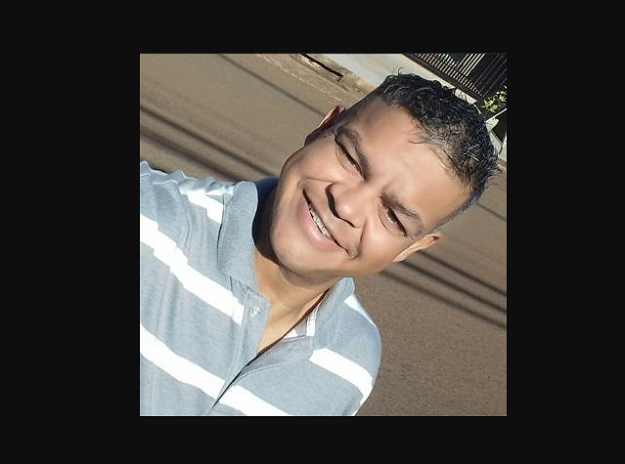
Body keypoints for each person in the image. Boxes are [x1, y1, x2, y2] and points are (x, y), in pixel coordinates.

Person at [140, 73, 499, 416]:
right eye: (351, 160)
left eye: (392, 215)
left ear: (412, 248)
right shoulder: (150, 221)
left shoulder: (354, 359)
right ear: (324, 127)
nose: (346, 206)